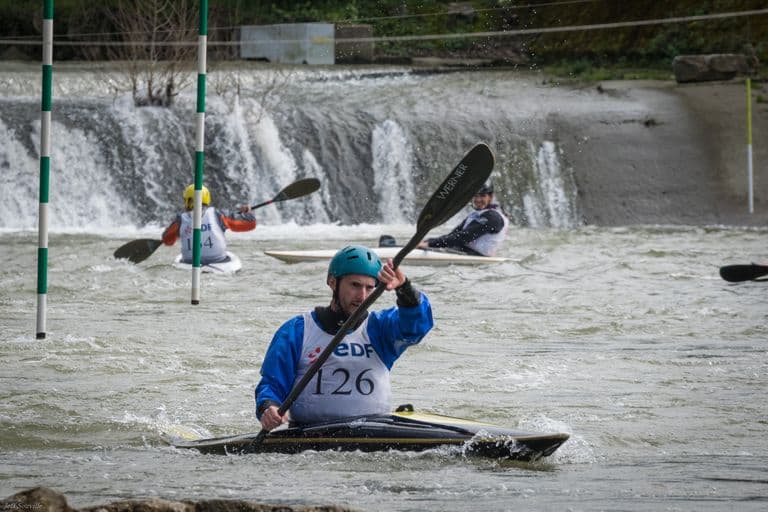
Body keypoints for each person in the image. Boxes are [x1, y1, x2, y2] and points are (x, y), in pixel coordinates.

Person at [255, 245, 433, 430]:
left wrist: (405, 289)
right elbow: (272, 384)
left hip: (373, 431)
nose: (362, 296)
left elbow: (416, 327)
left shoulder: (381, 328)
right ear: (333, 282)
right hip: (310, 432)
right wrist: (269, 407)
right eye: (355, 285)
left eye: (369, 288)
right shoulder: (297, 331)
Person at [161, 184, 256, 264]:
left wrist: (180, 233)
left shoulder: (180, 219)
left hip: (189, 263)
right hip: (218, 262)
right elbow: (250, 224)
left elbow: (167, 240)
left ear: (187, 200)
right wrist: (248, 214)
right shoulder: (218, 215)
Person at [417, 182, 509, 256]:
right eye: (475, 196)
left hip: (476, 257)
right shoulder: (476, 214)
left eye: (482, 196)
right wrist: (428, 241)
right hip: (462, 251)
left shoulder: (493, 217)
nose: (478, 200)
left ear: (490, 197)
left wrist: (430, 244)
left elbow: (464, 237)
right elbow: (454, 235)